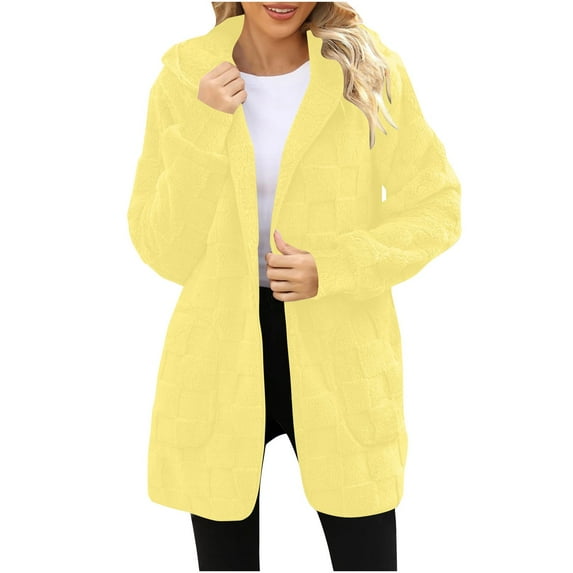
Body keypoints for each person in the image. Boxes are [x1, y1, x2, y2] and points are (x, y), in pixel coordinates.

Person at [127, 2, 461, 571]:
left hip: (341, 347)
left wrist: (334, 266)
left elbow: (435, 204)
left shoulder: (365, 67)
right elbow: (164, 248)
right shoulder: (186, 77)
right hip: (219, 350)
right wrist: (205, 123)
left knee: (366, 554)